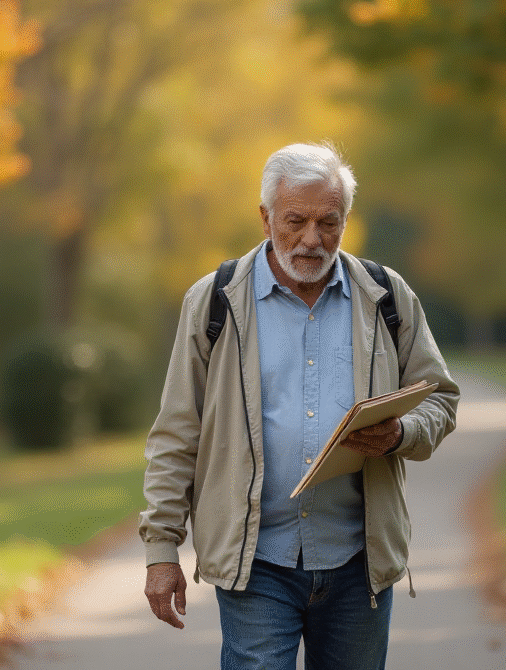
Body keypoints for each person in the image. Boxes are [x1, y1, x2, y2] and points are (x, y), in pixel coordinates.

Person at [140, 142, 460, 670]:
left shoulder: (386, 295)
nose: (313, 239)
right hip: (256, 562)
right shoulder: (214, 301)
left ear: (345, 221)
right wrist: (161, 551)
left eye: (328, 223)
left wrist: (401, 432)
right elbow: (178, 433)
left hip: (358, 561)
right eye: (296, 221)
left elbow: (441, 398)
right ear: (266, 218)